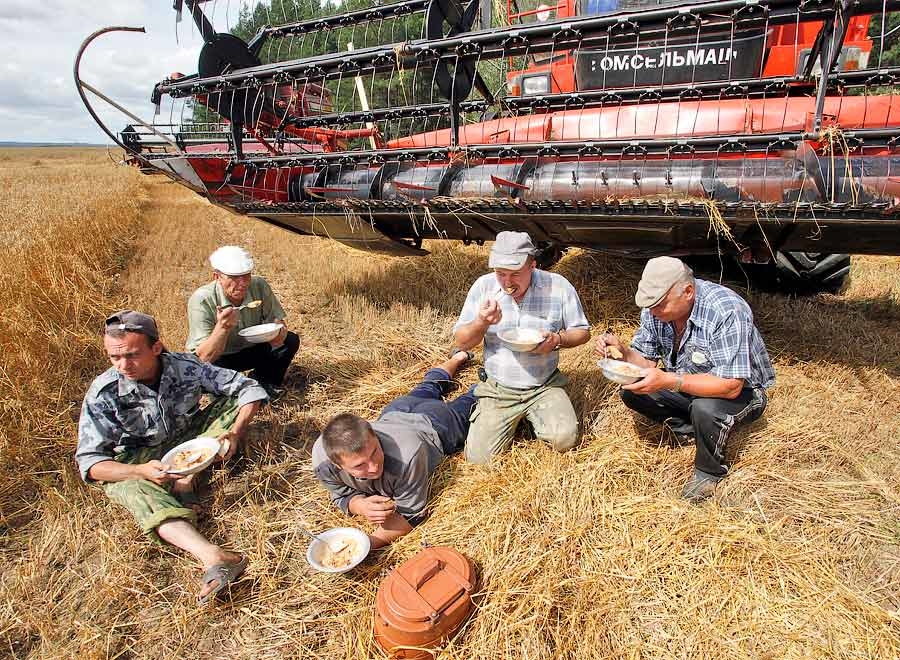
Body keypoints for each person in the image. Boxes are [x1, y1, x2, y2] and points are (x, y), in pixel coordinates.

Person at [75, 310, 269, 605]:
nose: (123, 365)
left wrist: (236, 431)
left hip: (191, 437)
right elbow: (90, 463)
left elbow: (248, 388)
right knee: (130, 489)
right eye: (114, 357)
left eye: (132, 354)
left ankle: (186, 481)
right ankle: (213, 556)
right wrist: (140, 471)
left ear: (156, 347)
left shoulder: (184, 365)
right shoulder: (103, 393)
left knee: (232, 403)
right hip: (142, 457)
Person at [596, 257, 775, 502]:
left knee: (705, 407)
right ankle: (693, 431)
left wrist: (670, 381)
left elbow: (732, 386)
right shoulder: (655, 310)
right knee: (631, 391)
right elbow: (645, 363)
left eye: (659, 305)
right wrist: (624, 352)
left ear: (688, 292)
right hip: (684, 382)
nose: (652, 311)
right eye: (649, 305)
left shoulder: (726, 311)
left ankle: (709, 472)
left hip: (742, 392)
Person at [312, 351, 476, 548]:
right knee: (428, 386)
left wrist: (366, 545)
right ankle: (458, 358)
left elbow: (411, 515)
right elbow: (339, 493)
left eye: (374, 452)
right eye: (360, 465)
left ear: (374, 434)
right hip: (397, 410)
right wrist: (360, 505)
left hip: (437, 424)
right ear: (337, 464)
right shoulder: (322, 460)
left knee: (470, 400)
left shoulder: (408, 456)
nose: (373, 467)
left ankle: (478, 376)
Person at [452, 231, 591, 464]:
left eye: (515, 274)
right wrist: (482, 322)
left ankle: (534, 415)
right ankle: (511, 417)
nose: (507, 282)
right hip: (499, 388)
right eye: (500, 273)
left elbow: (583, 332)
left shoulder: (557, 286)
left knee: (564, 440)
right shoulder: (484, 287)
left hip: (543, 384)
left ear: (533, 265)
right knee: (478, 459)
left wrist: (557, 340)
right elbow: (462, 341)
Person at [186, 245, 300, 397]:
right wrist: (223, 327)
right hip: (220, 358)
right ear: (217, 277)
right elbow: (204, 357)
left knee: (290, 340)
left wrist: (278, 332)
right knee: (224, 393)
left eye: (246, 275)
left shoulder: (259, 285)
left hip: (251, 349)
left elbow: (277, 321)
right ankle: (229, 394)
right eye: (233, 277)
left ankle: (262, 382)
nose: (242, 283)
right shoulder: (202, 300)